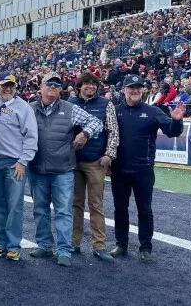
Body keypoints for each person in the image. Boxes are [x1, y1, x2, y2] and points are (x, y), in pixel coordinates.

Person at [29, 72, 103, 267]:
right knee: (40, 210)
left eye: (57, 84)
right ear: (41, 87)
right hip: (37, 168)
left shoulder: (70, 108)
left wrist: (85, 134)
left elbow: (96, 122)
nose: (53, 86)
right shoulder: (29, 109)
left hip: (62, 170)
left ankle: (64, 250)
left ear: (61, 89)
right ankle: (45, 245)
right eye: (49, 83)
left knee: (63, 211)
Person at [110, 75, 185, 263]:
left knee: (145, 210)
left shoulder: (153, 111)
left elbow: (172, 131)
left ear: (143, 90)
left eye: (138, 88)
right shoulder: (114, 111)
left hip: (143, 170)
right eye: (131, 88)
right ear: (123, 90)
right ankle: (121, 244)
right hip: (119, 170)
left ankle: (145, 248)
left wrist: (176, 120)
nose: (135, 91)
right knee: (120, 208)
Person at [0, 74, 38, 261]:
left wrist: (23, 161)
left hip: (14, 163)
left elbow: (31, 136)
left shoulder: (23, 107)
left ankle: (13, 245)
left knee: (14, 205)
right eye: (4, 85)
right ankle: (2, 242)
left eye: (11, 86)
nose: (8, 89)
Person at [67, 72, 119, 262]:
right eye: (86, 83)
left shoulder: (106, 104)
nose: (90, 87)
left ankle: (99, 245)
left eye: (93, 84)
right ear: (79, 86)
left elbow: (113, 131)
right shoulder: (70, 103)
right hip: (73, 161)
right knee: (75, 203)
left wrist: (109, 155)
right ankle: (74, 242)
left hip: (96, 161)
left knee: (96, 204)